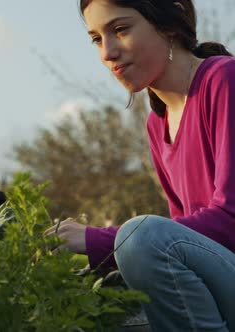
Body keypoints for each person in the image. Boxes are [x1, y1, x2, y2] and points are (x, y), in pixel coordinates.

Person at [44, 0, 235, 330]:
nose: (108, 52)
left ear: (168, 23)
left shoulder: (223, 79)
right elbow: (183, 239)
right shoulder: (156, 124)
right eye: (97, 39)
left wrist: (99, 241)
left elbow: (230, 220)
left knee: (141, 236)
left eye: (120, 30)